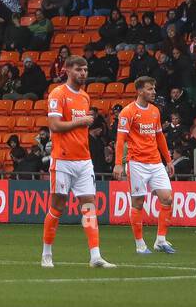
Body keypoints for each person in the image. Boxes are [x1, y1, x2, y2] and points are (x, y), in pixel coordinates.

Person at [42, 56, 115, 269]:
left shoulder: (84, 97)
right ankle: (47, 253)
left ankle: (95, 256)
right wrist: (81, 122)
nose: (83, 73)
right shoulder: (58, 94)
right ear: (67, 70)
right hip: (62, 159)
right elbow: (54, 125)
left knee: (89, 205)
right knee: (57, 206)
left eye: (85, 69)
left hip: (83, 160)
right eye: (79, 69)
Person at [114, 77, 175, 256]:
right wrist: (118, 163)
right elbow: (120, 140)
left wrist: (168, 160)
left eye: (154, 88)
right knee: (138, 203)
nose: (154, 92)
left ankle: (160, 240)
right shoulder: (128, 112)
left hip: (155, 162)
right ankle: (140, 244)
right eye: (150, 89)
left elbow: (159, 137)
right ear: (140, 91)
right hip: (137, 163)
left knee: (167, 198)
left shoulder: (155, 111)